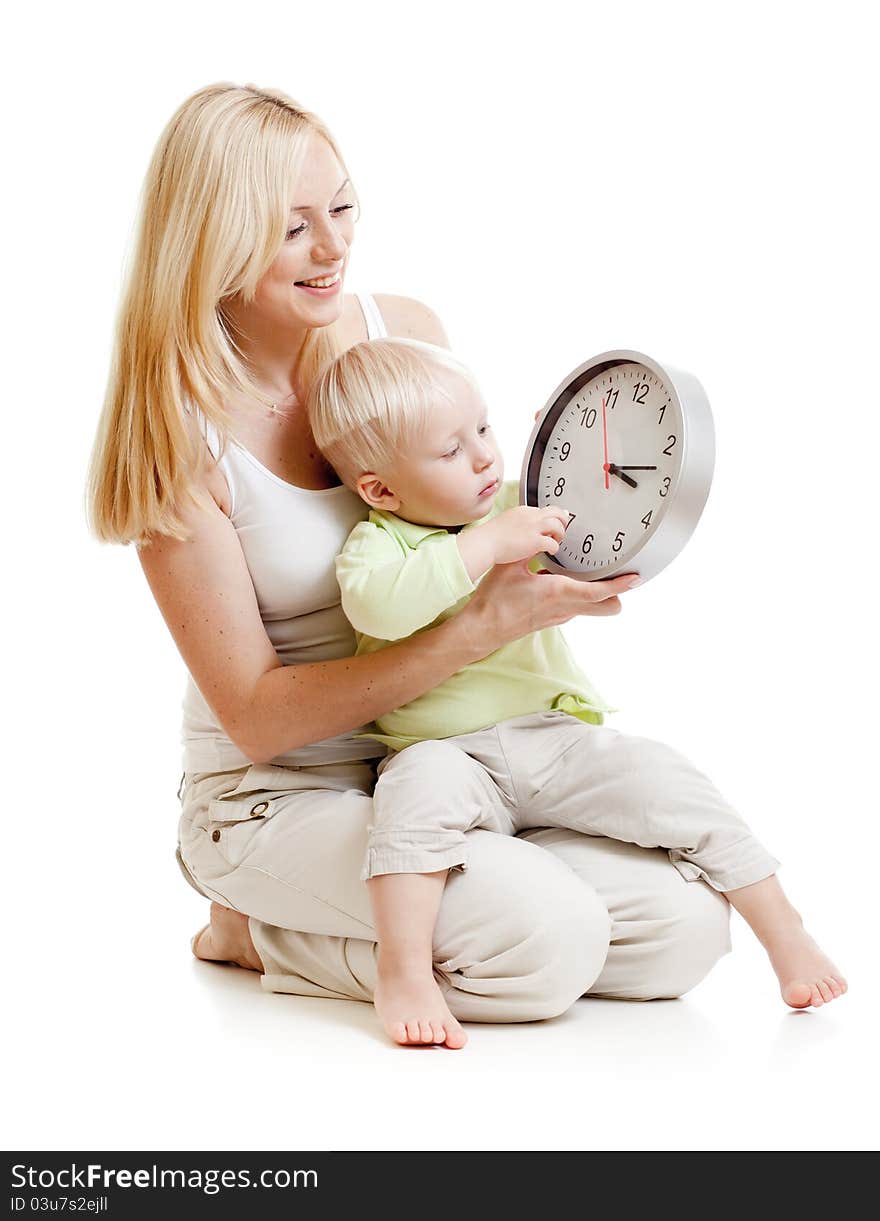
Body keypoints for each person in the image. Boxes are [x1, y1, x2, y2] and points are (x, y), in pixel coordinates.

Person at [87, 81, 738, 1048]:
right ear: (211, 239)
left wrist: (564, 518)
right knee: (546, 939)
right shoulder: (180, 440)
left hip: (439, 764)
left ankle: (397, 915)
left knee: (684, 929)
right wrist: (475, 631)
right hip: (277, 796)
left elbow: (457, 521)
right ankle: (260, 931)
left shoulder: (404, 331)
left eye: (342, 208)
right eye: (291, 227)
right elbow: (256, 715)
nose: (333, 247)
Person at [307, 337, 848, 1047]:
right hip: (439, 749)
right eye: (449, 451)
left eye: (484, 429)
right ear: (380, 490)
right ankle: (404, 968)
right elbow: (380, 607)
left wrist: (566, 459)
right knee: (412, 808)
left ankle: (786, 933)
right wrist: (487, 543)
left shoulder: (513, 508)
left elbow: (589, 518)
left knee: (667, 780)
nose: (481, 456)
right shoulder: (378, 547)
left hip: (549, 736)